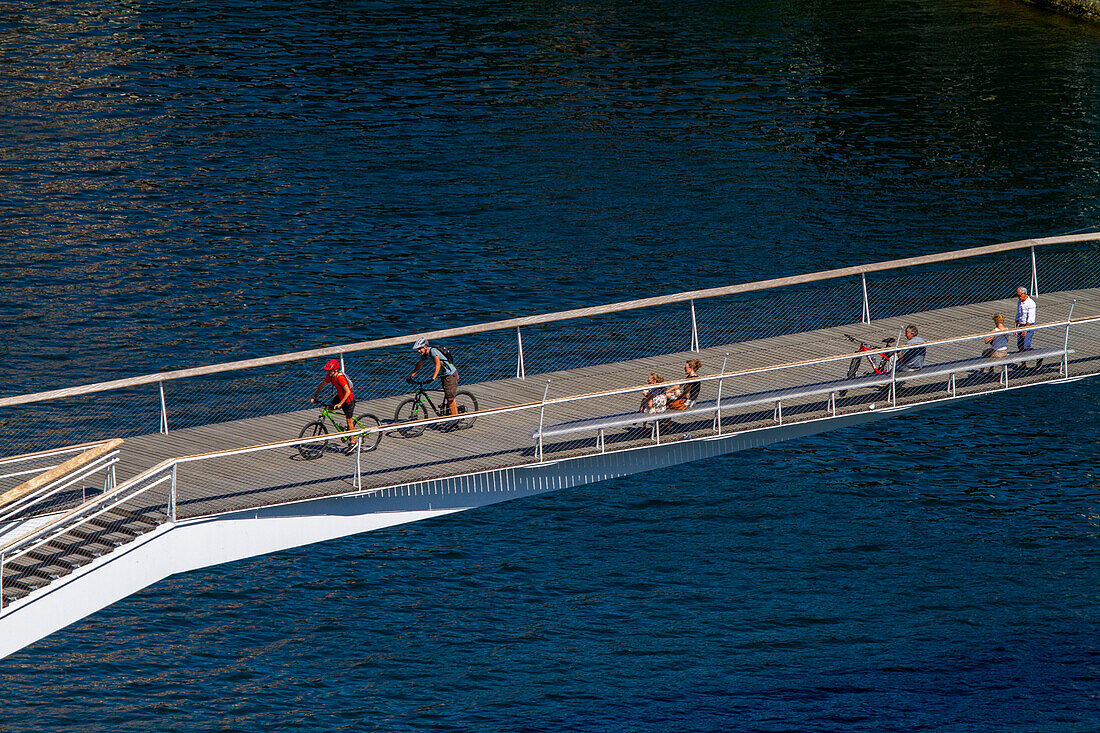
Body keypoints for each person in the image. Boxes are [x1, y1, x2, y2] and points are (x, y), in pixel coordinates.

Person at [409, 337, 459, 416]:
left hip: (450, 374)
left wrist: (433, 377)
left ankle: (456, 418)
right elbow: (419, 363)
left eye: (420, 349)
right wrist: (412, 374)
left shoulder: (433, 351)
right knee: (448, 395)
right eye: (418, 349)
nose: (419, 351)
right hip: (444, 375)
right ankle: (449, 414)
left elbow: (438, 364)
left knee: (450, 399)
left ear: (425, 346)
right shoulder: (425, 354)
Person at [310, 359, 357, 440]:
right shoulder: (330, 376)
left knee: (349, 420)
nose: (328, 373)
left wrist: (341, 404)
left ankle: (353, 440)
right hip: (339, 396)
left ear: (335, 370)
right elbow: (322, 385)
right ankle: (344, 429)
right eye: (327, 371)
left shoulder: (340, 378)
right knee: (329, 409)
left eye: (330, 371)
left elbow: (348, 392)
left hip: (348, 399)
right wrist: (314, 396)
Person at [1014, 286, 1037, 367]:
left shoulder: (1031, 303)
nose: (1018, 297)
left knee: (1026, 345)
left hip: (1028, 326)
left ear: (1024, 294)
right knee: (1020, 345)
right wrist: (1016, 327)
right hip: (1021, 324)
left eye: (1019, 295)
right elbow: (1018, 314)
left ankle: (1037, 356)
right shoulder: (1019, 302)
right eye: (1017, 295)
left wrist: (1025, 330)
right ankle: (1023, 364)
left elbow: (1030, 318)